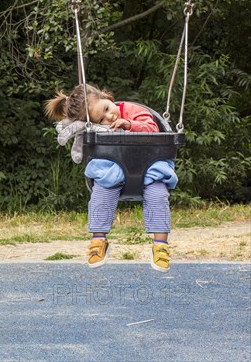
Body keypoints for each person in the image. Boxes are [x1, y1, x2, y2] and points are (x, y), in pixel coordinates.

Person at [45, 84, 177, 272]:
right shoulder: (97, 127)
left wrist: (130, 125)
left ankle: (160, 246)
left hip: (149, 170)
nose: (110, 117)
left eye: (107, 109)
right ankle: (99, 241)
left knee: (158, 196)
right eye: (102, 118)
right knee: (101, 194)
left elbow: (153, 128)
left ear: (108, 98)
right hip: (113, 174)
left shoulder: (132, 111)